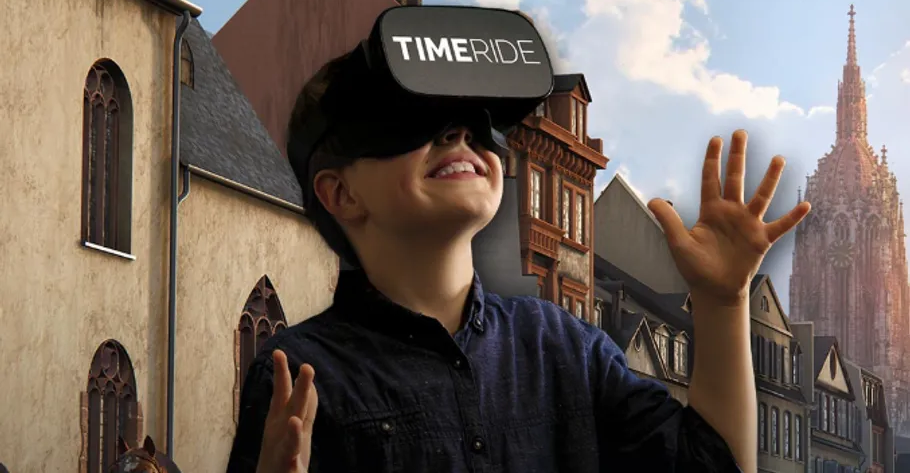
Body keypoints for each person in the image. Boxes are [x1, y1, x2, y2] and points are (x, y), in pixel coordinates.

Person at [226, 51, 809, 473]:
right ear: (341, 194)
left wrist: (722, 302)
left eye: (476, 122)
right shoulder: (298, 377)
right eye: (409, 121)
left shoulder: (565, 347)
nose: (459, 132)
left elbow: (710, 465)